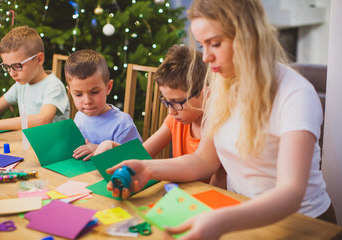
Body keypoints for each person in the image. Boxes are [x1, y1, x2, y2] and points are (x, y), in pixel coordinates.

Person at [106, 0, 336, 239]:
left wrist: (222, 219)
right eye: (202, 45)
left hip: (302, 225)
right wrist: (147, 168)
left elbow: (290, 193)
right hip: (243, 216)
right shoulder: (223, 88)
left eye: (214, 44)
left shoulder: (295, 95)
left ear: (248, 37)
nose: (205, 57)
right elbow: (204, 161)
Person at [94, 44, 206, 160]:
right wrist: (111, 145)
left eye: (176, 102)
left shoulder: (215, 127)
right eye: (166, 101)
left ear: (203, 93)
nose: (170, 111)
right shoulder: (174, 120)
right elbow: (142, 155)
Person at [0, 26, 70, 133]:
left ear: (39, 59)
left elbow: (43, 119)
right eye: (7, 67)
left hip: (52, 145)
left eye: (17, 66)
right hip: (31, 144)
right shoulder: (21, 85)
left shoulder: (53, 86)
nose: (12, 73)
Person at [64, 49, 142, 161]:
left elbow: (138, 160)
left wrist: (99, 149)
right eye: (78, 94)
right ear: (70, 92)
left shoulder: (122, 124)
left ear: (108, 87)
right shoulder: (79, 117)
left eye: (94, 92)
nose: (87, 101)